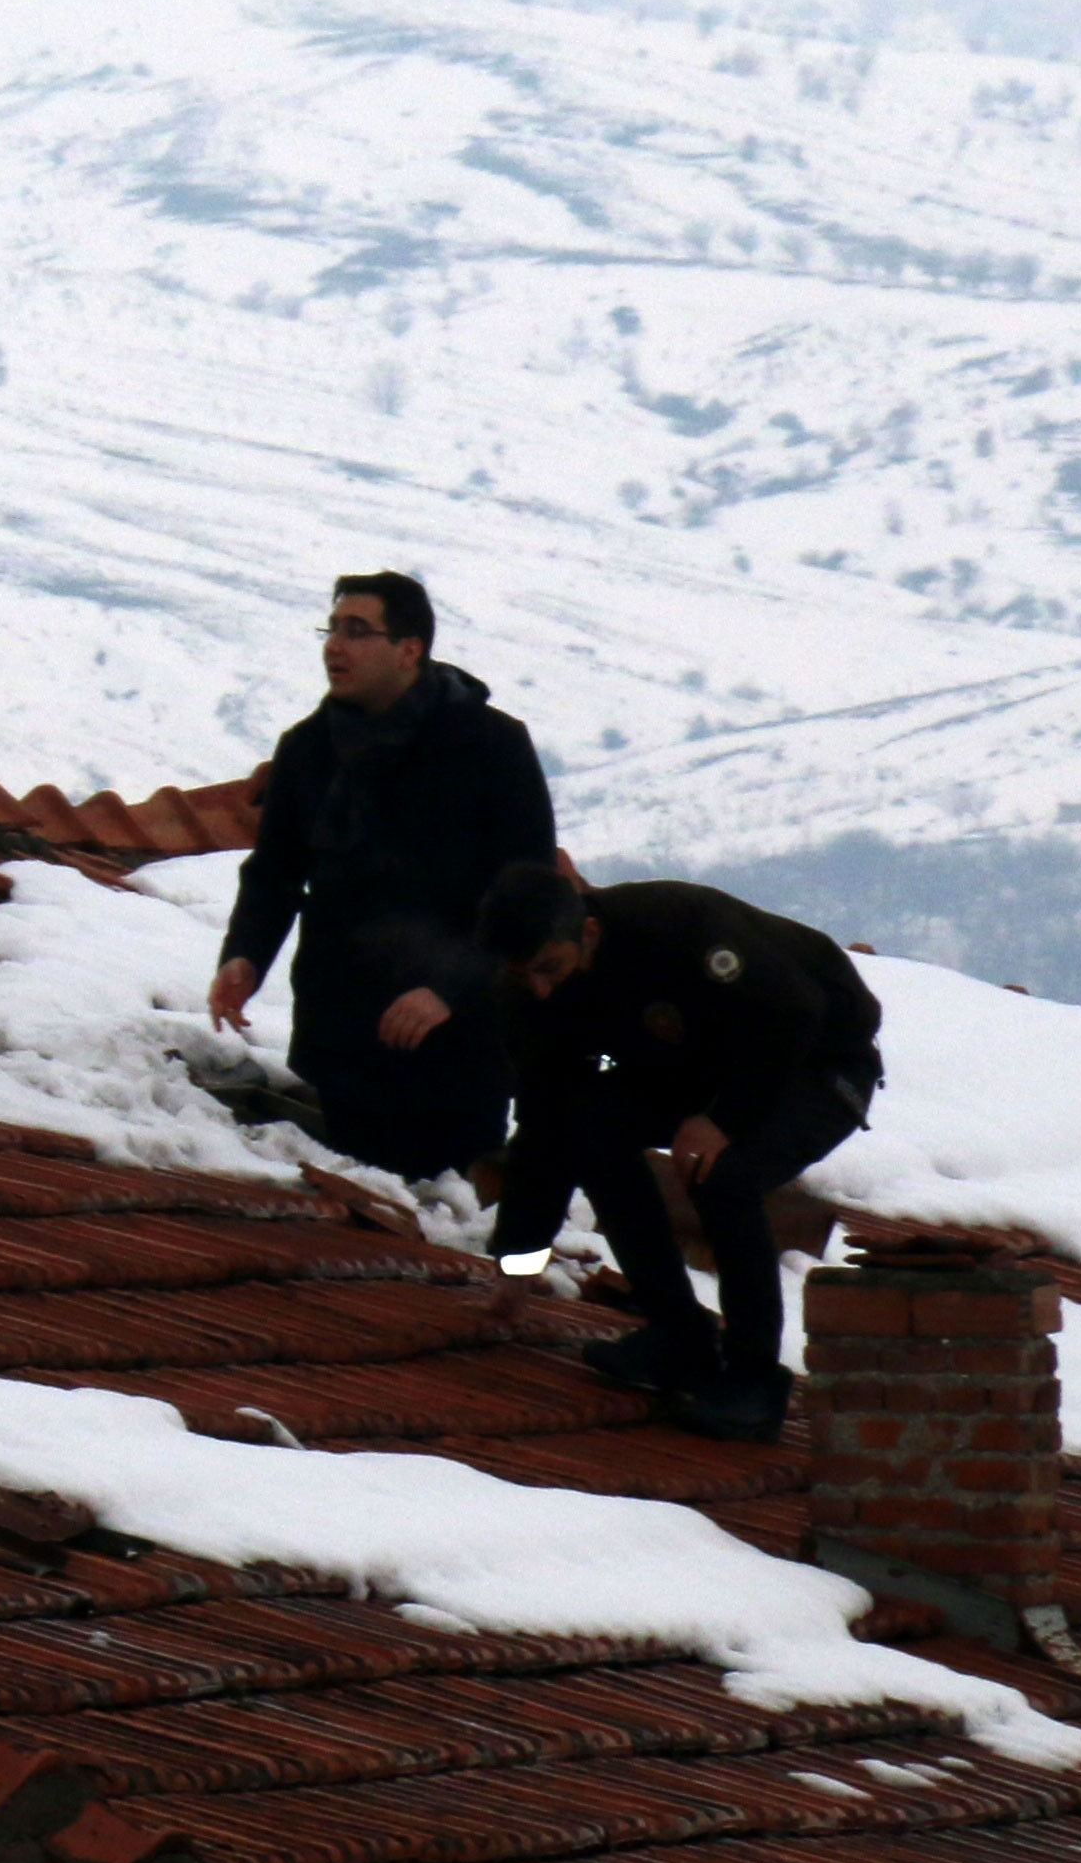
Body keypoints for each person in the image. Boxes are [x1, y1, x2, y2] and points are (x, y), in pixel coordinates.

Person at [485, 856, 882, 1442]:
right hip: (697, 1068)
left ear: (587, 933)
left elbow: (796, 1011)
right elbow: (546, 1125)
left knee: (723, 1176)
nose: (541, 988)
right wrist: (518, 1261)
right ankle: (678, 1339)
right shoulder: (529, 998)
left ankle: (752, 1380)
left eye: (551, 968)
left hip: (816, 1061)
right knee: (591, 1129)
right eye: (525, 976)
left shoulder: (675, 924)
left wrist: (723, 1120)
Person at [208, 572, 557, 1178]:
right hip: (342, 1032)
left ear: (409, 650)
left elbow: (527, 891)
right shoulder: (309, 749)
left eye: (357, 631)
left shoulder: (490, 746)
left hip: (457, 1042)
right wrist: (244, 958)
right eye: (332, 629)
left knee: (445, 1217)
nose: (334, 647)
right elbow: (275, 874)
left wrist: (449, 988)